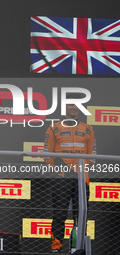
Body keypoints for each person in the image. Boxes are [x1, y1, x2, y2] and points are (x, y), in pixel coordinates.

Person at [43, 93, 96, 253]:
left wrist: (79, 170)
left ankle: (76, 248)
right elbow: (47, 156)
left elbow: (92, 156)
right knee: (59, 215)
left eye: (77, 104)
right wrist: (60, 171)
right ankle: (56, 249)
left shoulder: (88, 129)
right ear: (64, 107)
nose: (74, 107)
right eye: (70, 104)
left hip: (82, 178)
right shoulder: (54, 128)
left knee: (81, 216)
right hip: (62, 178)